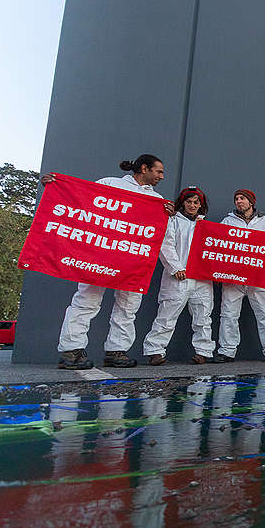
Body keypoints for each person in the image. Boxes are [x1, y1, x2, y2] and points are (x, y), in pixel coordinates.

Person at [43, 154, 174, 369]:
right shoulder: (109, 184)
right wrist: (57, 186)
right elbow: (80, 199)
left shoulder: (158, 201)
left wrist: (170, 215)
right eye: (158, 171)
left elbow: (159, 234)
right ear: (144, 168)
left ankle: (116, 351)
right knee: (87, 300)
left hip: (133, 260)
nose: (162, 176)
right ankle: (70, 350)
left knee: (128, 306)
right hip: (101, 257)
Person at [141, 186, 215, 365]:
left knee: (203, 315)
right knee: (167, 314)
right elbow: (165, 245)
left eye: (196, 202)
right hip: (179, 277)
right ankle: (155, 351)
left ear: (201, 205)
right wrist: (175, 268)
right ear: (182, 203)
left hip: (202, 279)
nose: (192, 205)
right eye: (188, 202)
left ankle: (203, 351)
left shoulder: (206, 225)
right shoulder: (173, 220)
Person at [211, 189, 265, 362]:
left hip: (258, 276)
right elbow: (217, 242)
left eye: (242, 198)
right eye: (236, 198)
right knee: (228, 314)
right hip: (233, 277)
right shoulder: (228, 221)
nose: (238, 201)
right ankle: (226, 351)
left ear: (251, 202)